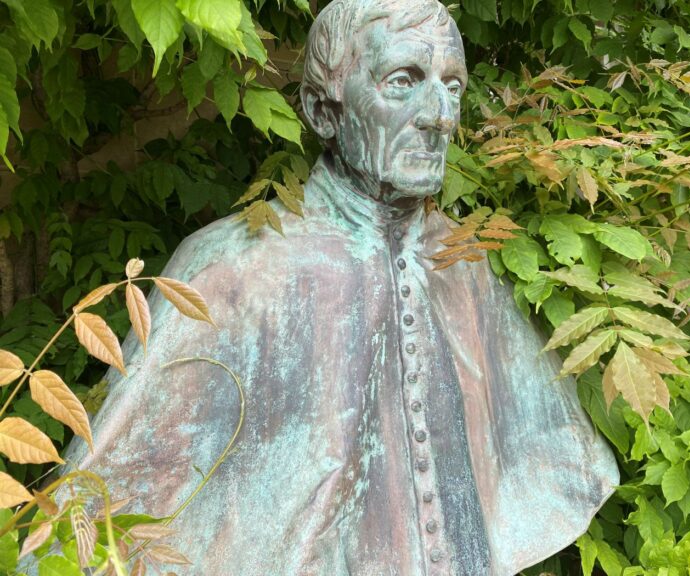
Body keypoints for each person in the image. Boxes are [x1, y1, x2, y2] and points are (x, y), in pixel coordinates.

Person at [68, 0, 619, 573]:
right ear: (323, 111)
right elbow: (97, 515)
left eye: (452, 86)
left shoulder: (466, 261)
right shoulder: (229, 268)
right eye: (403, 81)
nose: (440, 115)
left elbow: (544, 462)